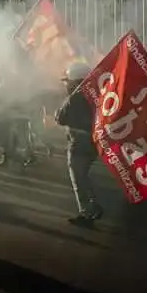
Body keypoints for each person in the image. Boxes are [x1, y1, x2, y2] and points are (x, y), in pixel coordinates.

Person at [55, 62, 102, 226]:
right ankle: (92, 205)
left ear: (75, 81)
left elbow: (61, 118)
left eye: (68, 81)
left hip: (78, 144)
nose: (66, 84)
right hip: (94, 142)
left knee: (78, 179)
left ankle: (88, 211)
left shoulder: (74, 98)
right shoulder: (98, 94)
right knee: (83, 176)